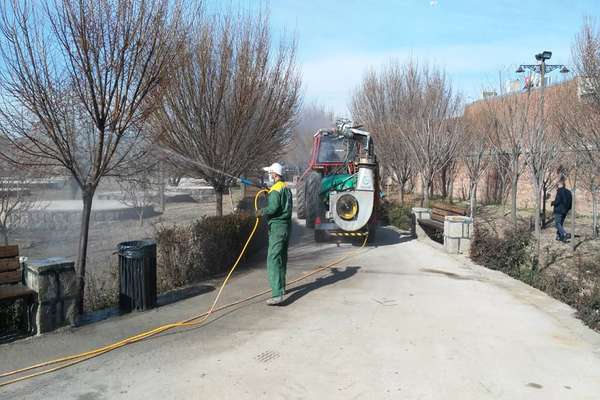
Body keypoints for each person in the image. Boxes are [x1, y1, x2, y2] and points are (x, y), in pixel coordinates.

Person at [257, 162, 293, 305]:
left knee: (272, 259)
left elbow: (273, 208)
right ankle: (282, 288)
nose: (270, 175)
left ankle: (277, 294)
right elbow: (279, 201)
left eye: (271, 173)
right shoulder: (285, 187)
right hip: (286, 227)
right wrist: (269, 192)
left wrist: (261, 211)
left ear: (275, 174)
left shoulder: (275, 189)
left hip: (277, 227)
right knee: (281, 257)